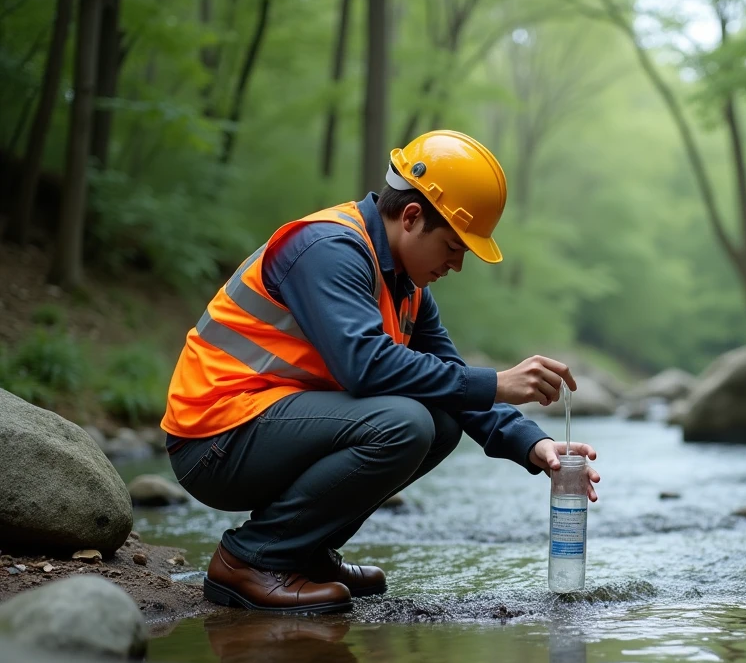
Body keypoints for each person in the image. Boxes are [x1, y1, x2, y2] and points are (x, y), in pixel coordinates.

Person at [161, 130, 600, 614]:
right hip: (214, 441)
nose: (457, 265)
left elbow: (451, 379)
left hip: (265, 427)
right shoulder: (328, 248)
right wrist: (497, 382)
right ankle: (251, 560)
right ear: (412, 217)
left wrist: (534, 446)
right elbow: (363, 366)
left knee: (442, 421)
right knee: (404, 423)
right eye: (454, 246)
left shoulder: (406, 286)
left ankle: (302, 554)